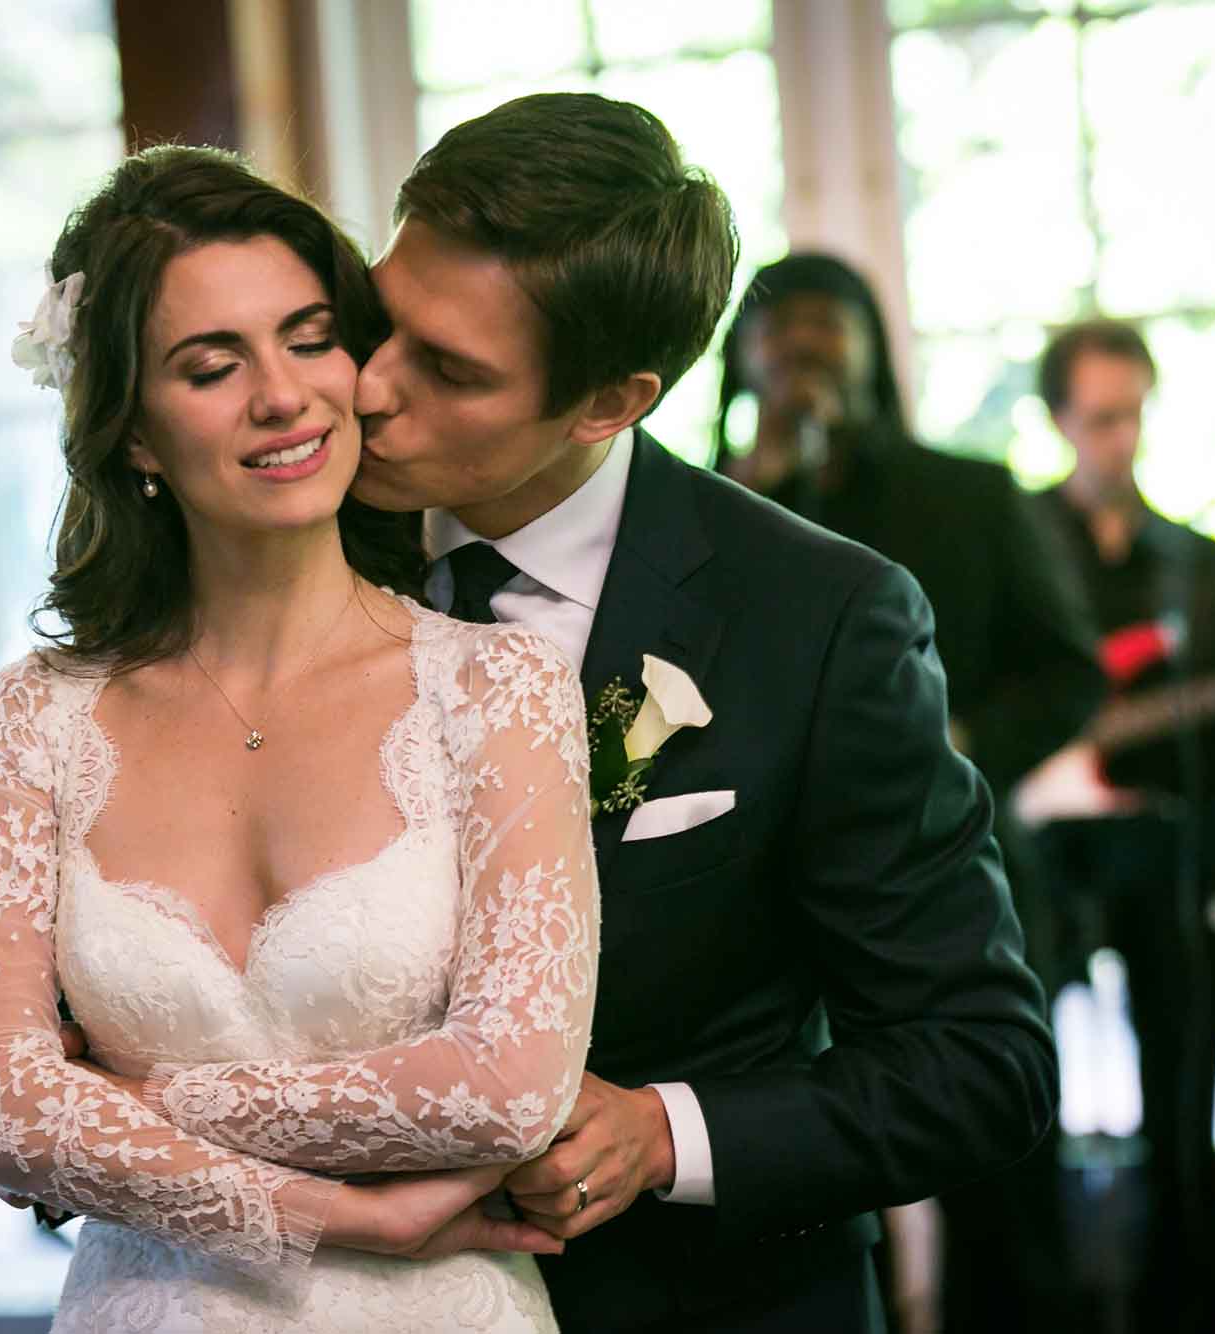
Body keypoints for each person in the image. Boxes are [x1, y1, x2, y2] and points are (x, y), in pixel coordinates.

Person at [346, 94, 1058, 1333]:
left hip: (694, 1303)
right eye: (375, 317)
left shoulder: (818, 616)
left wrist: (661, 1134)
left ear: (608, 403)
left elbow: (978, 1060)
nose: (364, 385)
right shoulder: (280, 536)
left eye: (448, 369)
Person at [0, 144, 602, 1333]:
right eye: (209, 364)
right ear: (132, 431)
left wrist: (136, 1097)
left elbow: (508, 1086)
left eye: (306, 335)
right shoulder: (36, 716)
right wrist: (330, 1214)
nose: (282, 394)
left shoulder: (498, 688)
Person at [712, 252, 1101, 1332]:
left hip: (941, 864)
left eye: (822, 335)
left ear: (870, 352)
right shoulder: (705, 509)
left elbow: (1069, 668)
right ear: (739, 360)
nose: (799, 356)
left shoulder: (966, 495)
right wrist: (761, 470)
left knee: (993, 1173)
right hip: (751, 896)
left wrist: (955, 742)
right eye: (775, 337)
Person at [1029, 319, 1215, 1328]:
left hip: (1168, 854)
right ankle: (1044, 1291)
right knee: (1021, 1088)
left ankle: (1189, 1283)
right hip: (1036, 858)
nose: (1119, 438)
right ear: (1057, 419)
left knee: (1181, 1073)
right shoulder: (1016, 544)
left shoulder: (1197, 566)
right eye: (1098, 417)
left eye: (1132, 414)